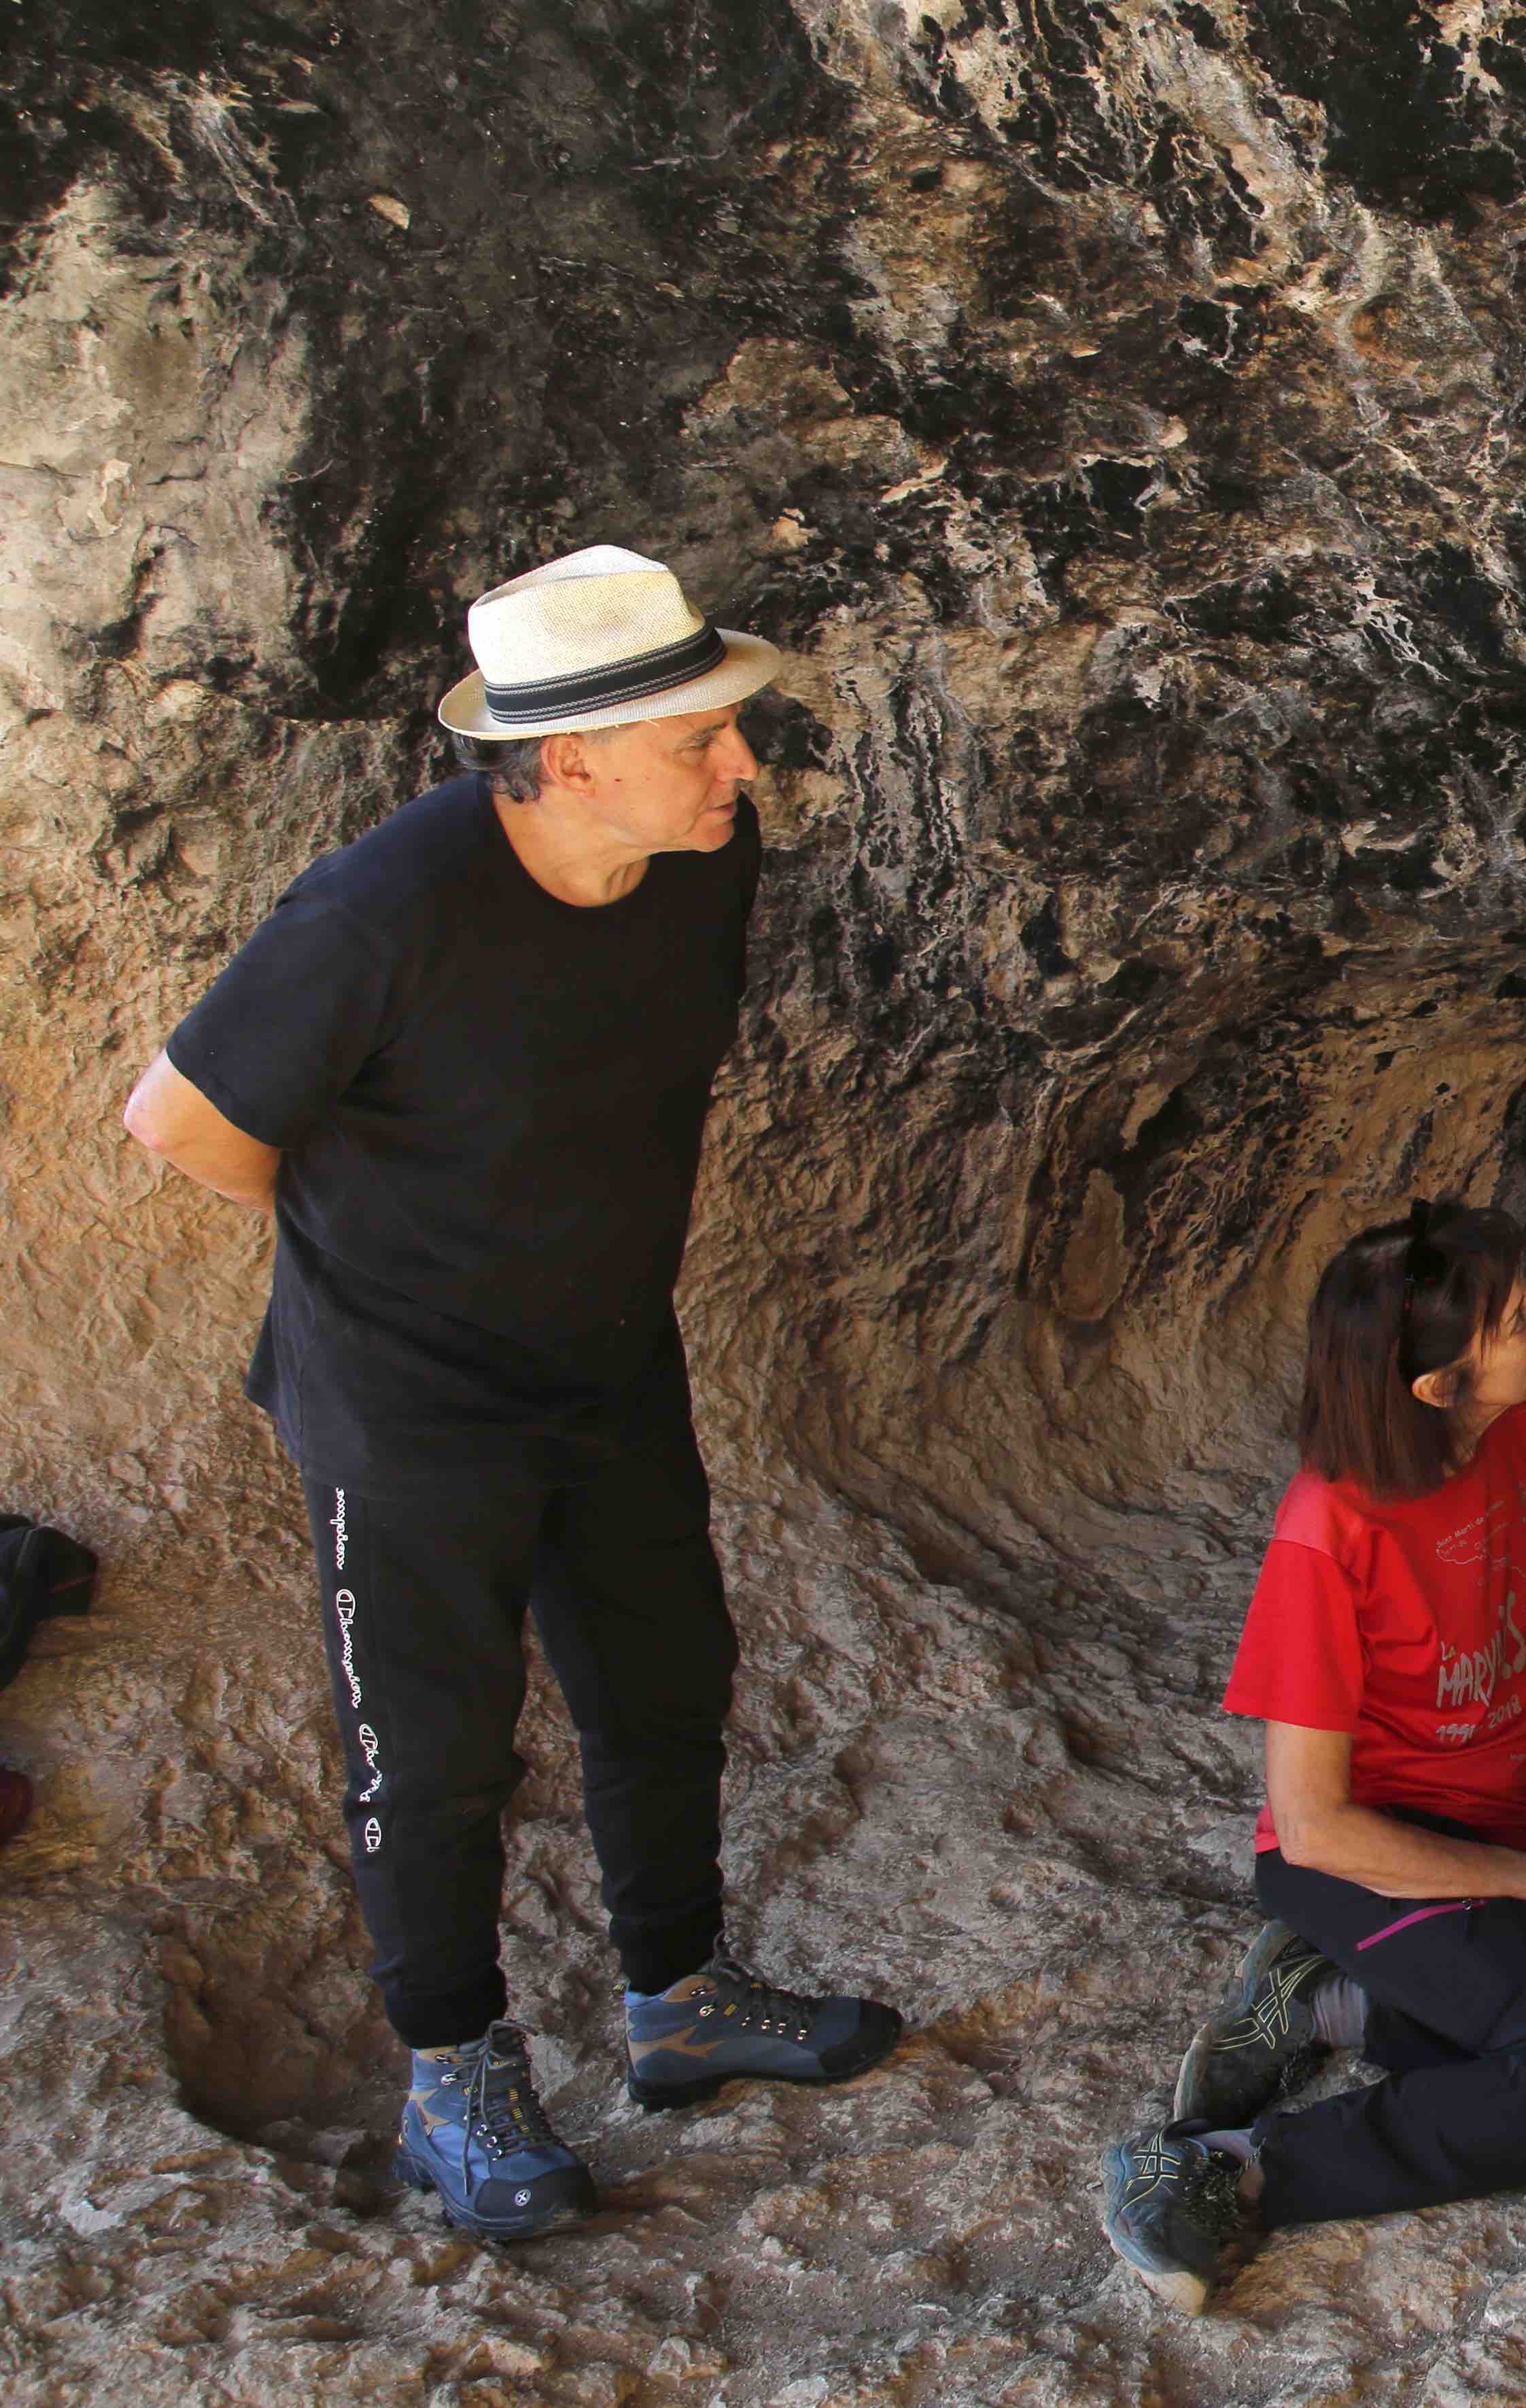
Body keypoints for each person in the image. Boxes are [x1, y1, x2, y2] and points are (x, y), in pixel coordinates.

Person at [118, 546, 899, 2242]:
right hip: (405, 1405)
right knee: (435, 1748)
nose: (743, 767)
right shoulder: (377, 910)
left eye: (731, 731)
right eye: (701, 738)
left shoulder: (702, 854)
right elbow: (181, 1122)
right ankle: (453, 2078)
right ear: (566, 760)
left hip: (609, 1357)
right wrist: (396, 1264)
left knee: (665, 1677)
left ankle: (677, 1998)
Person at [1100, 1201, 1526, 2311]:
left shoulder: (1512, 1430)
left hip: (1513, 1838)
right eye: (1519, 1318)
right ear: (1436, 1389)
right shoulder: (1328, 1534)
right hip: (1375, 1855)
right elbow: (1317, 1826)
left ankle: (1342, 2004)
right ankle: (1230, 2170)